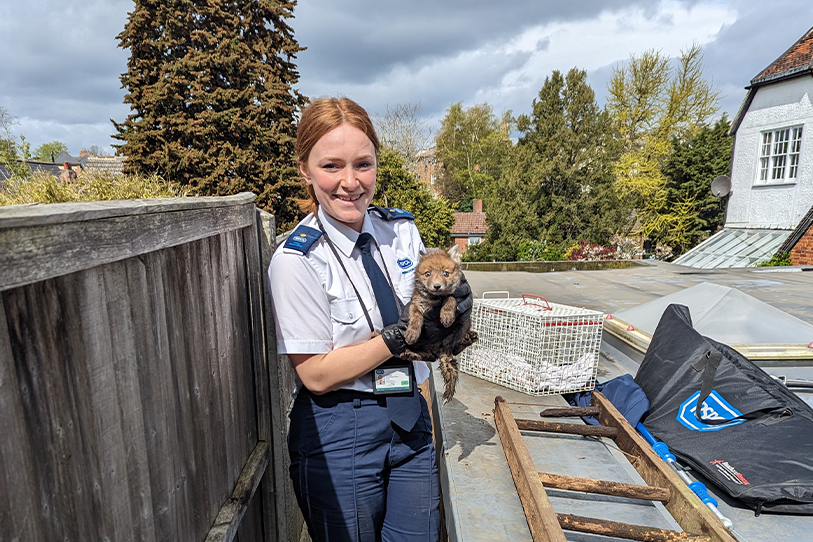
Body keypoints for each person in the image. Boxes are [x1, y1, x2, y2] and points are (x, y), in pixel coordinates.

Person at [267, 97, 472, 542]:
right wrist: (396, 339)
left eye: (363, 164)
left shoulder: (401, 231)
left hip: (409, 419)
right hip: (341, 428)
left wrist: (451, 316)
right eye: (331, 166)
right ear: (305, 170)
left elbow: (430, 308)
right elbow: (316, 374)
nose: (350, 182)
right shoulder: (297, 260)